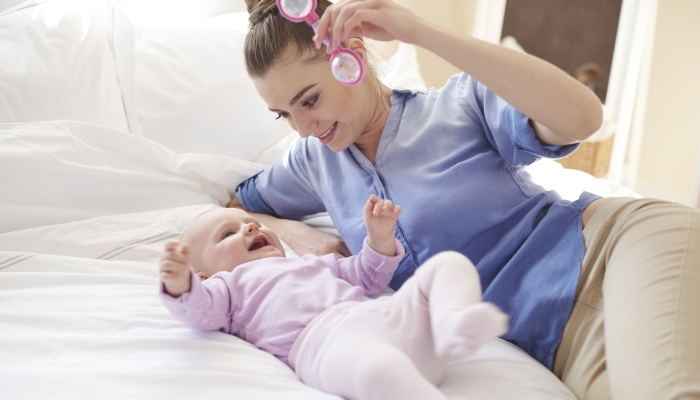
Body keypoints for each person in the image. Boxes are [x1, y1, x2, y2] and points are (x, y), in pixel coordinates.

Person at [228, 1, 700, 399]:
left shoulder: (457, 106)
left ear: (348, 56)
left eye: (309, 101)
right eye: (283, 115)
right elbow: (239, 204)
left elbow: (583, 117)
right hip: (559, 342)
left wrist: (419, 32)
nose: (302, 127)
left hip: (609, 252)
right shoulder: (313, 161)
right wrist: (298, 232)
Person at [159, 195, 508, 400]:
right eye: (228, 234)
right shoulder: (227, 289)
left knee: (449, 264)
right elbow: (197, 310)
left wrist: (379, 239)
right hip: (327, 345)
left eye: (251, 222)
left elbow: (367, 276)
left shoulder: (315, 264)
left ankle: (452, 323)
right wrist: (181, 284)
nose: (250, 227)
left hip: (384, 319)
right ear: (205, 275)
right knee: (377, 369)